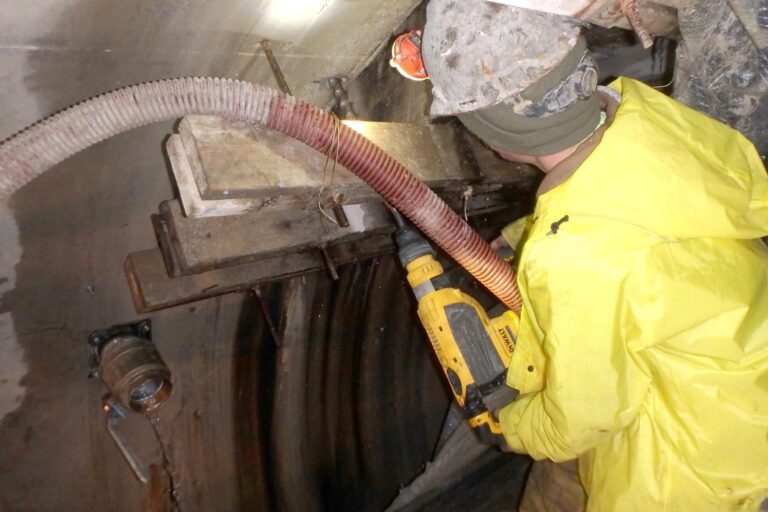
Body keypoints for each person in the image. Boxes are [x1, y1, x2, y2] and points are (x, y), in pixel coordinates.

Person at [421, 1, 768, 510]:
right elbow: (642, 215)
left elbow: (583, 416)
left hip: (695, 467)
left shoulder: (573, 255)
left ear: (496, 134)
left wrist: (507, 426)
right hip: (743, 383)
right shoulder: (653, 119)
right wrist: (526, 232)